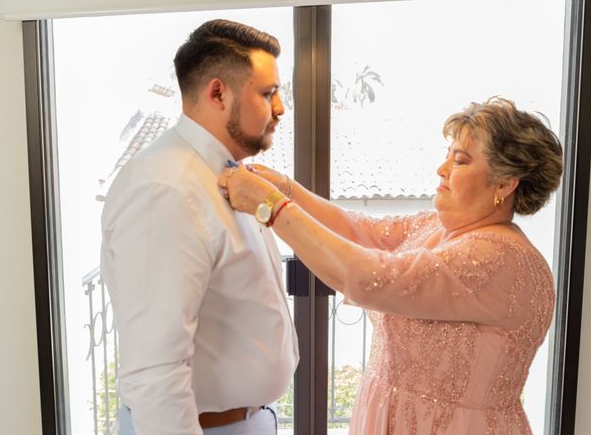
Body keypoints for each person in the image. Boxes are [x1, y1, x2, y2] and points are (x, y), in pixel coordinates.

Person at [219, 97, 563, 434]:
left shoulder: (499, 256)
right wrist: (287, 189)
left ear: (505, 182)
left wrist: (271, 207)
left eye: (459, 161)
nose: (441, 170)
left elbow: (370, 276)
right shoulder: (440, 228)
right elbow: (360, 231)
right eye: (447, 157)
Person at [101, 19, 298, 435]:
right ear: (217, 93)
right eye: (268, 93)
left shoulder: (225, 176)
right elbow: (155, 372)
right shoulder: (167, 189)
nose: (280, 108)